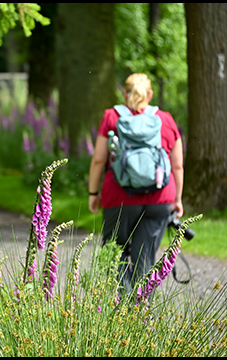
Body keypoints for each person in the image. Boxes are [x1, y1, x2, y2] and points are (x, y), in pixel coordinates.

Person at [88, 73, 184, 296]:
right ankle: (141, 313)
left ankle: (122, 313)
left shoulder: (112, 116)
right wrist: (177, 199)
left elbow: (99, 159)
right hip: (160, 199)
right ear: (150, 94)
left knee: (115, 252)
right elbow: (177, 165)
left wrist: (93, 192)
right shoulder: (166, 119)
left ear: (125, 93)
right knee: (145, 258)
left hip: (119, 198)